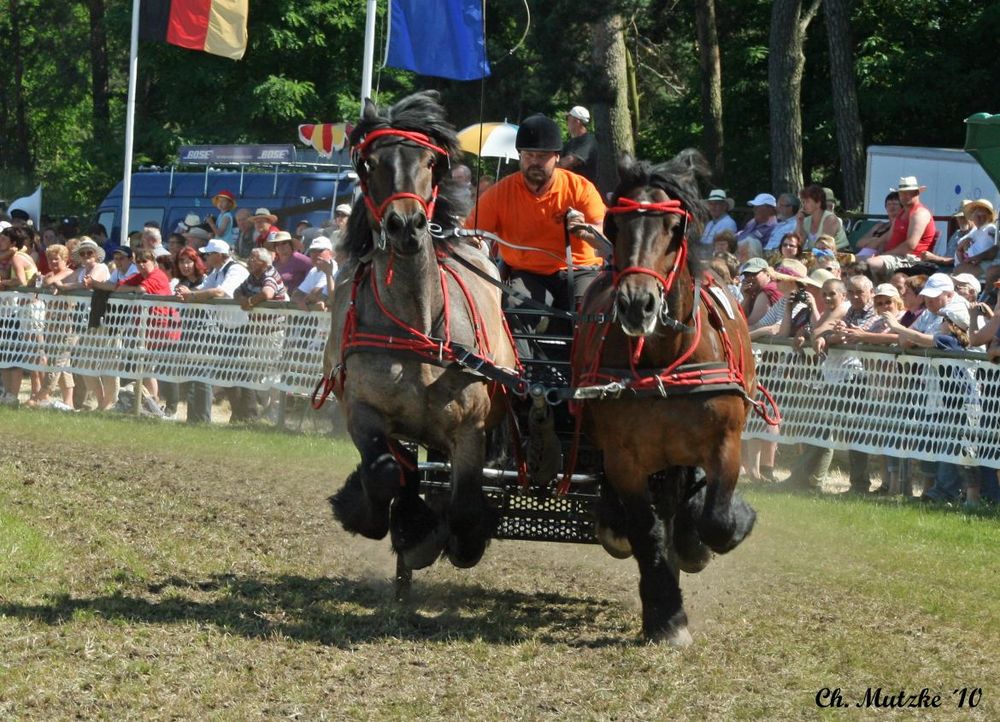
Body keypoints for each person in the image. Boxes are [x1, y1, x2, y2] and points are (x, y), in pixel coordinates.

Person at [468, 113, 605, 319]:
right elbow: (470, 232)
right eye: (528, 156)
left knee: (592, 310)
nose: (534, 162)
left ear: (557, 157)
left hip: (580, 269)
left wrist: (585, 231)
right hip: (528, 273)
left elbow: (606, 235)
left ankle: (583, 352)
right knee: (514, 306)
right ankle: (522, 353)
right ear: (520, 156)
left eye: (542, 157)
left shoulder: (580, 188)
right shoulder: (501, 192)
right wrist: (474, 241)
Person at [865, 176, 937, 278]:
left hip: (910, 259)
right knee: (855, 262)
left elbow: (909, 246)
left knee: (868, 265)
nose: (905, 196)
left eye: (909, 192)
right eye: (902, 193)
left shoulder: (919, 213)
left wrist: (883, 255)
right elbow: (886, 238)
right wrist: (870, 248)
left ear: (917, 193)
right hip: (894, 256)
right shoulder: (902, 212)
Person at [795, 184, 848, 251]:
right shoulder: (807, 221)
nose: (804, 205)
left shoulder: (830, 219)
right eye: (803, 202)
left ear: (818, 203)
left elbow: (824, 245)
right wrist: (799, 223)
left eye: (807, 201)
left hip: (838, 256)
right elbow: (799, 245)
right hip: (816, 256)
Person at [293, 236, 337, 311]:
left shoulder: (333, 268)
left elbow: (317, 294)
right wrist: (300, 300)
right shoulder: (313, 270)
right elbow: (296, 294)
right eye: (312, 251)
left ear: (330, 253)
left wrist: (304, 298)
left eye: (319, 250)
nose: (315, 254)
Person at [558, 105, 598, 186]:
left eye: (568, 119)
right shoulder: (569, 143)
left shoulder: (589, 141)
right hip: (569, 190)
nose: (567, 122)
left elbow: (567, 162)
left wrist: (548, 167)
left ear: (577, 121)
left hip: (584, 191)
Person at [855, 192, 902, 258]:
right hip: (868, 255)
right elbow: (859, 243)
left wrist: (872, 241)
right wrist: (877, 239)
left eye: (895, 204)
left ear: (902, 207)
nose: (891, 207)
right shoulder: (879, 225)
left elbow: (885, 245)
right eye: (889, 204)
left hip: (882, 257)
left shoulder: (900, 226)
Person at [738, 257, 779, 326]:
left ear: (767, 273)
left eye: (753, 273)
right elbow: (740, 317)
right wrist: (747, 297)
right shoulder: (755, 292)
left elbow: (752, 324)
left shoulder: (769, 290)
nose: (749, 278)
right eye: (746, 275)